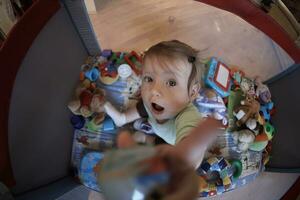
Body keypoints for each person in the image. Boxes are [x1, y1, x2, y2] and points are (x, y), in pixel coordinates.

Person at [104, 40, 222, 168]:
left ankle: (145, 138)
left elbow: (190, 137)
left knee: (161, 147)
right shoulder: (155, 99)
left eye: (171, 83)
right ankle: (123, 118)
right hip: (155, 121)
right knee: (144, 105)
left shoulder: (187, 115)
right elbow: (145, 104)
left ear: (192, 92)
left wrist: (185, 158)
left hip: (170, 141)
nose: (154, 89)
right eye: (149, 79)